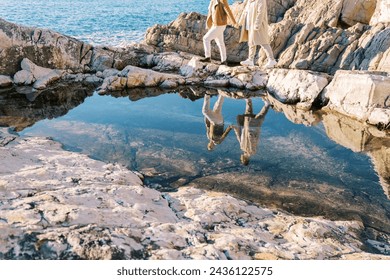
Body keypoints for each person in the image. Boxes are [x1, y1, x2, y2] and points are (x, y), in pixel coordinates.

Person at [237, 0, 277, 68]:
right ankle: (250, 60)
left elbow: (260, 12)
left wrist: (257, 25)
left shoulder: (260, 1)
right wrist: (240, 21)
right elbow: (246, 11)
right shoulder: (250, 1)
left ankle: (272, 60)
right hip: (250, 24)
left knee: (263, 42)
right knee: (251, 42)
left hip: (258, 25)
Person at [232, 98, 270, 165]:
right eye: (241, 159)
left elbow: (239, 137)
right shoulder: (252, 151)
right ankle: (267, 105)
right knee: (259, 117)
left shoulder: (243, 148)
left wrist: (235, 129)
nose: (240, 157)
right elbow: (254, 141)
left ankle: (248, 100)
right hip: (252, 131)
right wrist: (250, 135)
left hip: (246, 129)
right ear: (244, 159)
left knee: (248, 114)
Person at [200, 0, 237, 65]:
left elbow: (228, 10)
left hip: (220, 25)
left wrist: (234, 22)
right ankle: (224, 60)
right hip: (216, 24)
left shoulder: (222, 0)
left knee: (206, 38)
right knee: (220, 43)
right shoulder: (213, 1)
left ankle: (208, 57)